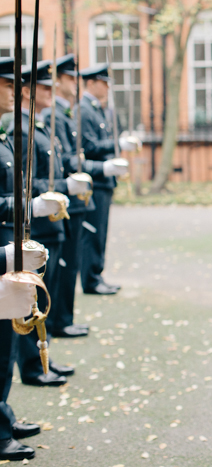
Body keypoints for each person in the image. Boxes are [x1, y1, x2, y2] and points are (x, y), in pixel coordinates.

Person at [10, 60, 88, 387]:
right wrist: (58, 187)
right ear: (28, 91)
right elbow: (26, 181)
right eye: (43, 87)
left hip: (51, 223)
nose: (50, 91)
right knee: (32, 301)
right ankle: (32, 364)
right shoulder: (22, 129)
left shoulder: (40, 126)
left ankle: (43, 356)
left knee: (45, 297)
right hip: (37, 224)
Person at [0, 55, 59, 462]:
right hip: (1, 250)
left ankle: (1, 418)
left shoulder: (3, 137)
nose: (14, 92)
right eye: (7, 85)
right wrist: (25, 205)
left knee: (3, 343)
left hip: (6, 250)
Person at [44, 55, 128, 337]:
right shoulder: (61, 113)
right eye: (70, 78)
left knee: (72, 258)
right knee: (65, 261)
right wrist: (101, 165)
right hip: (70, 192)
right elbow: (73, 156)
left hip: (83, 188)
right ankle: (60, 320)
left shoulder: (69, 112)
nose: (75, 83)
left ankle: (64, 319)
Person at [79, 64, 136, 295]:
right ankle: (91, 279)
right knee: (93, 232)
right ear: (91, 83)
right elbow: (89, 147)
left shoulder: (98, 109)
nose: (107, 87)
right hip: (95, 181)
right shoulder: (84, 110)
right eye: (103, 82)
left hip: (104, 181)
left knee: (100, 232)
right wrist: (117, 145)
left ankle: (96, 275)